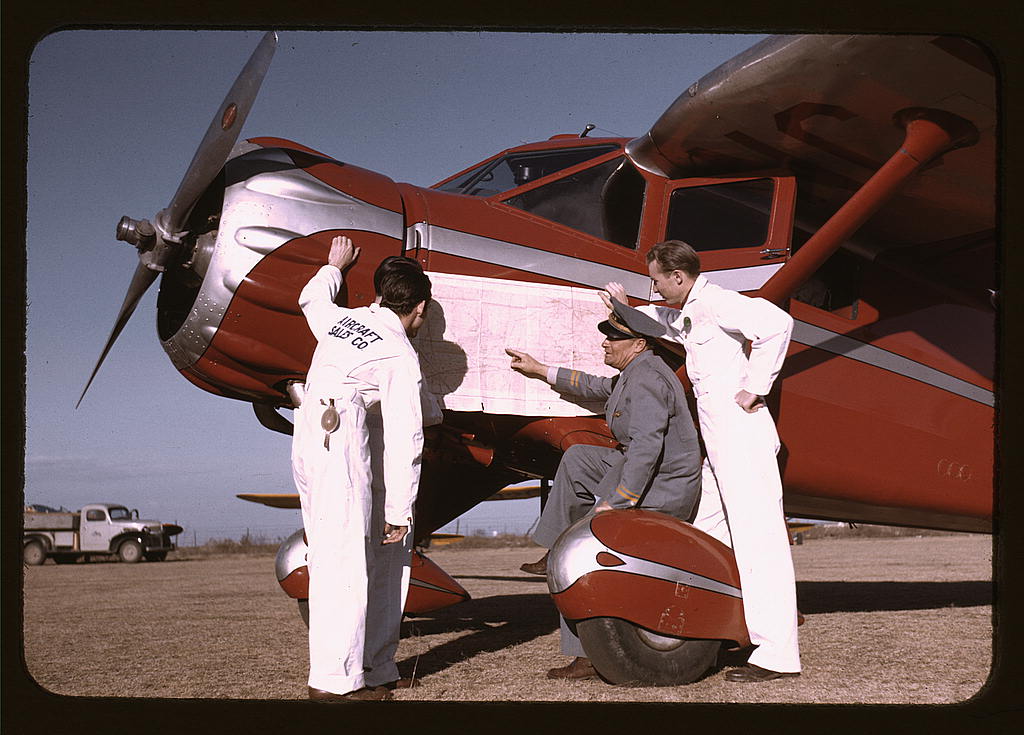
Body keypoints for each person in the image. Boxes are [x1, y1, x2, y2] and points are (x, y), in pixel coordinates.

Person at [603, 239, 800, 683]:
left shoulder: (719, 303)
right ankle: (713, 631)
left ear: (678, 276)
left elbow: (777, 323)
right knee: (705, 532)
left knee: (758, 540)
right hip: (719, 441)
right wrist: (621, 306)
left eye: (657, 280)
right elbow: (659, 322)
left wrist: (757, 385)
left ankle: (777, 654)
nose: (654, 289)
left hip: (742, 435)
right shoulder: (691, 311)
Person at [506, 302, 702, 681]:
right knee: (579, 457)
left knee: (583, 541)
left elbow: (646, 447)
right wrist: (539, 369)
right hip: (644, 472)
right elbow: (594, 387)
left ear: (640, 344)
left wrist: (618, 502)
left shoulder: (647, 379)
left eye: (615, 337)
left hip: (663, 488)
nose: (605, 344)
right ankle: (552, 549)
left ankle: (586, 653)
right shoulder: (636, 371)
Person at [292, 235, 432, 701]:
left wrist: (334, 266)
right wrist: (399, 510)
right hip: (343, 442)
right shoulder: (399, 355)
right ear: (421, 309)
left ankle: (373, 667)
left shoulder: (342, 321)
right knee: (346, 561)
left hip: (312, 434)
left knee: (335, 553)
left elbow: (310, 299)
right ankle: (337, 685)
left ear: (378, 296)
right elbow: (406, 438)